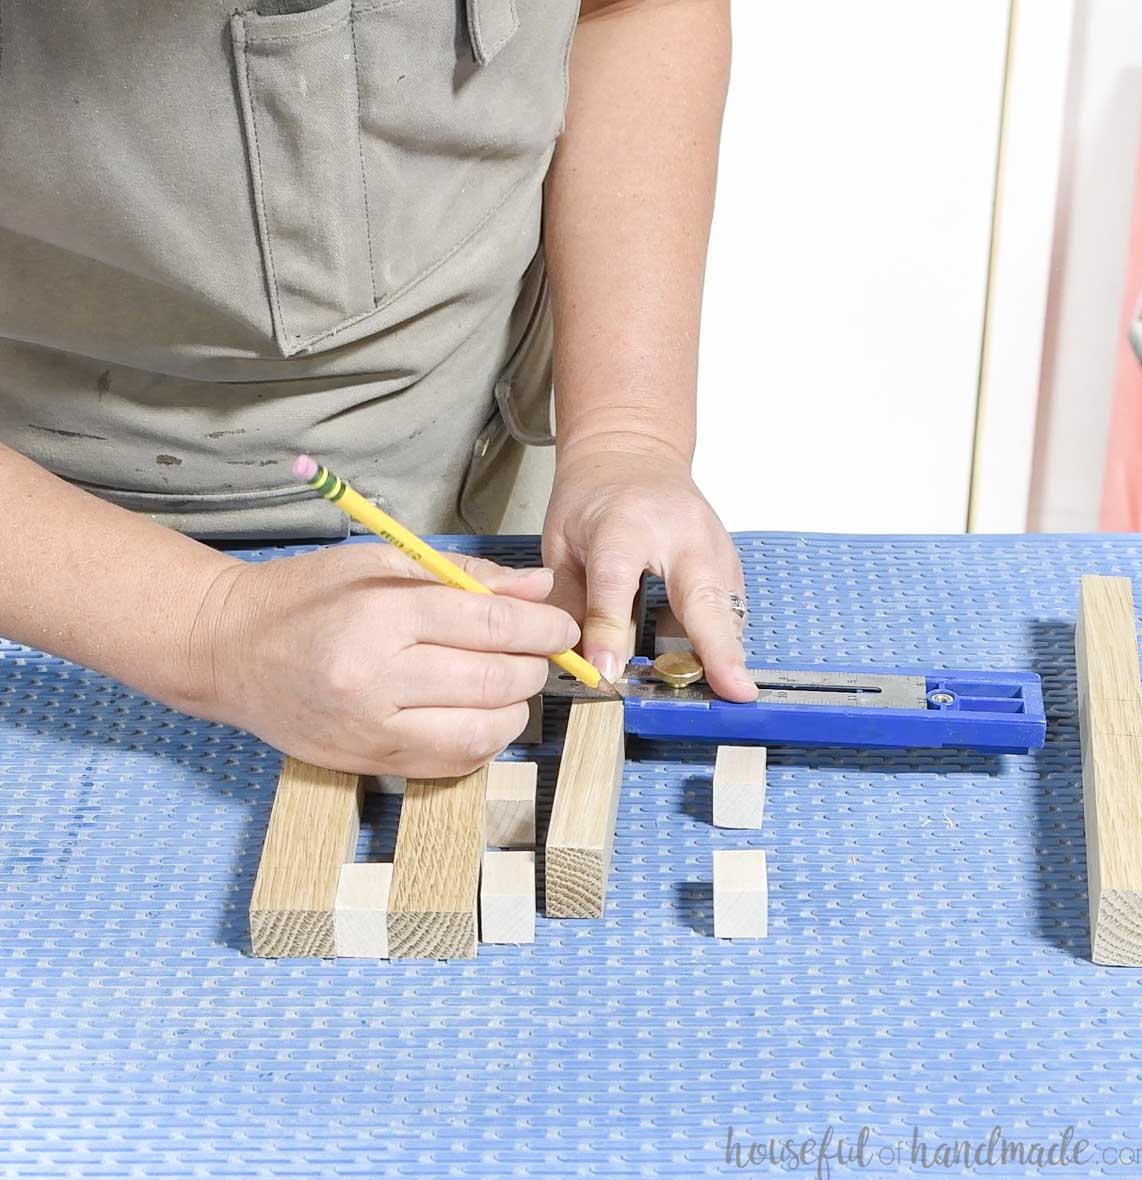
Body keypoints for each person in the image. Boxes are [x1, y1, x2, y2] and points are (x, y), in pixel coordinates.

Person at [0, 0, 755, 779]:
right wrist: (210, 627)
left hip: (474, 451)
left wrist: (627, 437)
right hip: (51, 563)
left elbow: (630, 9)